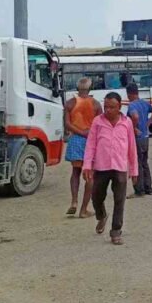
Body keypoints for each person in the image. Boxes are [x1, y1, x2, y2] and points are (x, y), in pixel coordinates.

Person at [83, 92, 138, 245]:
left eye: (112, 107)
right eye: (106, 107)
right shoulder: (97, 122)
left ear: (119, 107)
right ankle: (101, 216)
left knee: (119, 200)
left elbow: (132, 148)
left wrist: (134, 170)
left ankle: (116, 231)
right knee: (96, 196)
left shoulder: (126, 123)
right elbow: (91, 144)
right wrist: (87, 165)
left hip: (120, 167)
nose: (108, 110)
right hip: (101, 166)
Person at [63, 77, 101, 218]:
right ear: (90, 89)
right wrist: (88, 133)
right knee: (90, 176)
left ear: (77, 88)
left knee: (75, 172)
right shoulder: (96, 104)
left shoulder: (70, 103)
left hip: (75, 140)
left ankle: (74, 201)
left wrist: (79, 132)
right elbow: (100, 125)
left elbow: (67, 124)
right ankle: (84, 209)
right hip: (90, 141)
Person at [125, 83, 152, 198]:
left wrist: (133, 128)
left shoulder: (132, 106)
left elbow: (135, 117)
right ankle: (148, 188)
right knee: (145, 162)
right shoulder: (144, 103)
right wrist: (148, 123)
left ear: (129, 94)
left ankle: (139, 190)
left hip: (137, 138)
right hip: (145, 137)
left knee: (137, 163)